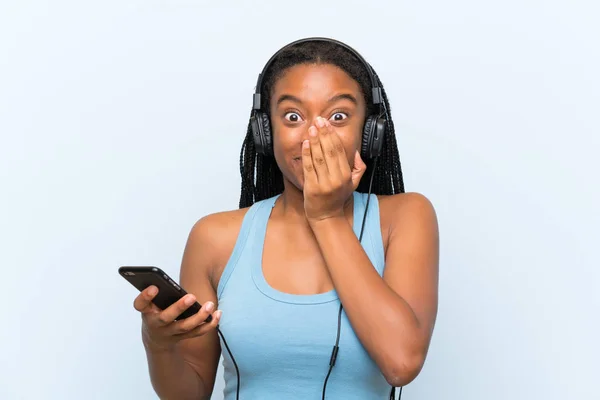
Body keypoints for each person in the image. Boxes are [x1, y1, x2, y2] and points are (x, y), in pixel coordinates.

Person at [132, 37, 439, 400]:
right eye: (293, 116)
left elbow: (401, 363)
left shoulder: (404, 218)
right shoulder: (214, 237)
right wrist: (158, 343)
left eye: (338, 116)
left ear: (369, 133)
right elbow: (189, 395)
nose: (314, 134)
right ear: (266, 131)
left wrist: (325, 216)